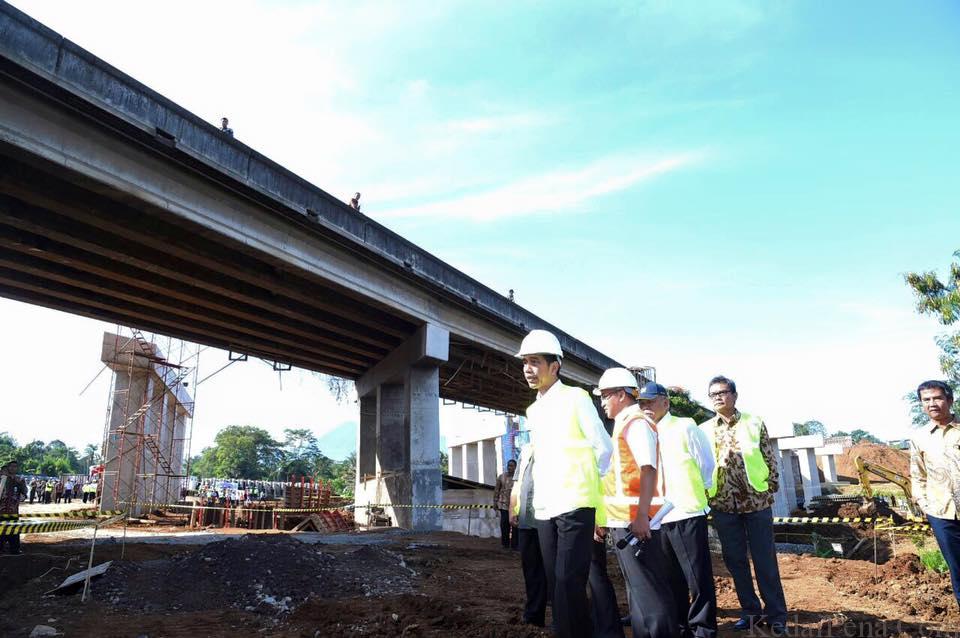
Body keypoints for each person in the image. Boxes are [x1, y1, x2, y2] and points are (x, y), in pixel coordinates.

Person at [517, 329, 613, 638]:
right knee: (555, 581)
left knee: (570, 580)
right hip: (545, 506)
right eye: (524, 363)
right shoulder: (533, 410)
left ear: (554, 366)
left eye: (534, 362)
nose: (528, 369)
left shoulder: (576, 397)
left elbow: (604, 448)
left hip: (576, 502)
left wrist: (588, 487)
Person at [700, 376, 786, 636]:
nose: (718, 397)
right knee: (735, 561)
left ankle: (776, 614)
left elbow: (768, 456)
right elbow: (702, 464)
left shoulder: (754, 422)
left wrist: (770, 485)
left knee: (764, 560)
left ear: (734, 395)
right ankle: (750, 611)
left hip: (756, 501)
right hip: (723, 504)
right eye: (713, 394)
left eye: (723, 392)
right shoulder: (703, 429)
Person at [594, 368, 677, 638]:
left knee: (650, 597)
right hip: (624, 520)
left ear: (621, 394)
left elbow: (648, 469)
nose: (602, 402)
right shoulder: (624, 424)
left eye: (605, 395)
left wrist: (641, 516)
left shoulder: (636, 423)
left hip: (637, 522)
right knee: (639, 598)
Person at [637, 382, 717, 638]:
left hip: (686, 512)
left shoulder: (685, 426)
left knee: (697, 578)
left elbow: (706, 464)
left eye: (650, 402)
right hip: (658, 519)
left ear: (666, 402)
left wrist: (702, 492)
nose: (646, 407)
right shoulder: (643, 433)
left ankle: (703, 629)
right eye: (642, 403)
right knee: (671, 579)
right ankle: (681, 627)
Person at [910, 380, 960, 609]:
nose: (932, 404)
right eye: (926, 400)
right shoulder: (919, 438)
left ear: (949, 400)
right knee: (957, 569)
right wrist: (923, 502)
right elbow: (917, 474)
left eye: (937, 398)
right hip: (942, 514)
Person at [510, 443, 547, 627]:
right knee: (531, 569)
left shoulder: (554, 442)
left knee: (553, 569)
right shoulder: (525, 449)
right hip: (526, 519)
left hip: (548, 517)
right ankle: (534, 615)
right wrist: (512, 507)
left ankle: (561, 616)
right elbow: (517, 483)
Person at [0, 460, 28, 555]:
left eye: (15, 466)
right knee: (1, 530)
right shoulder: (2, 479)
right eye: (11, 466)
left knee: (14, 530)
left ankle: (15, 549)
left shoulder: (20, 480)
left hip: (13, 510)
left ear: (17, 468)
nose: (13, 468)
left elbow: (24, 492)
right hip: (1, 510)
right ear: (8, 467)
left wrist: (23, 496)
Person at [494, 459, 519, 549]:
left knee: (515, 525)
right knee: (504, 525)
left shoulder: (519, 477)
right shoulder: (501, 477)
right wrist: (495, 501)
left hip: (516, 506)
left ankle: (515, 545)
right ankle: (505, 544)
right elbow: (496, 490)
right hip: (503, 505)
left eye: (512, 466)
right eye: (508, 465)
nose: (509, 467)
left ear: (516, 467)